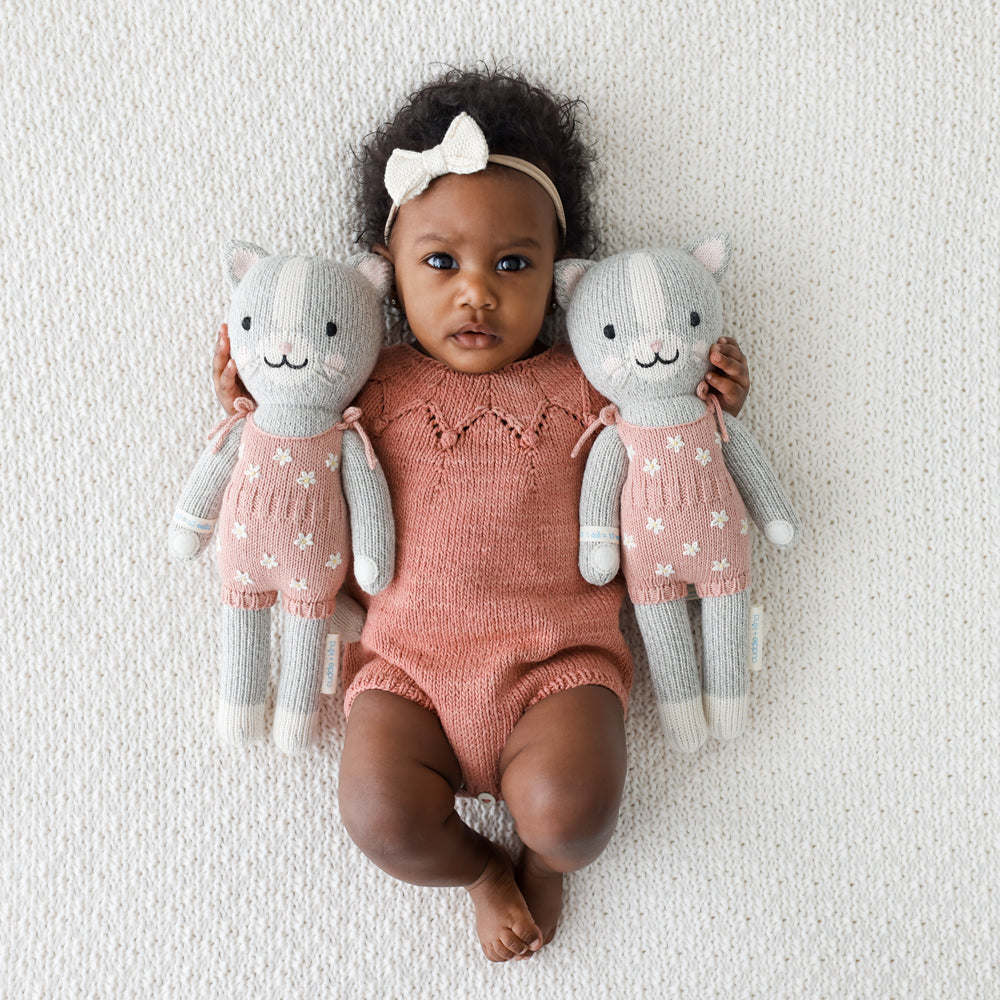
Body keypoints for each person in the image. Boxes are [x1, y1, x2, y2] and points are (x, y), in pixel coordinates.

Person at [212, 66, 750, 962]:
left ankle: (544, 859)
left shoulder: (590, 377)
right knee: (379, 814)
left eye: (512, 264)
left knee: (576, 815)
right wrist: (249, 386)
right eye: (440, 262)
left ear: (559, 276)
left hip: (559, 668)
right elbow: (286, 414)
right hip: (407, 676)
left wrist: (718, 389)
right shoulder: (364, 384)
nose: (476, 292)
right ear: (385, 277)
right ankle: (478, 870)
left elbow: (671, 425)